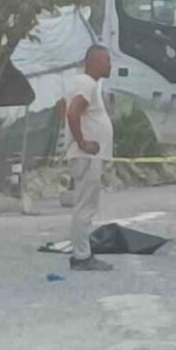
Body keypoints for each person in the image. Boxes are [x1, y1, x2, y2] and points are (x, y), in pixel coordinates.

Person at [64, 45, 115, 272]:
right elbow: (73, 112)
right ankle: (82, 256)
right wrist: (82, 142)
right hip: (87, 156)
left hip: (88, 157)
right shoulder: (87, 83)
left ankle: (82, 253)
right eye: (106, 61)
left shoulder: (86, 83)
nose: (110, 65)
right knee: (85, 207)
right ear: (93, 62)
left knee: (86, 205)